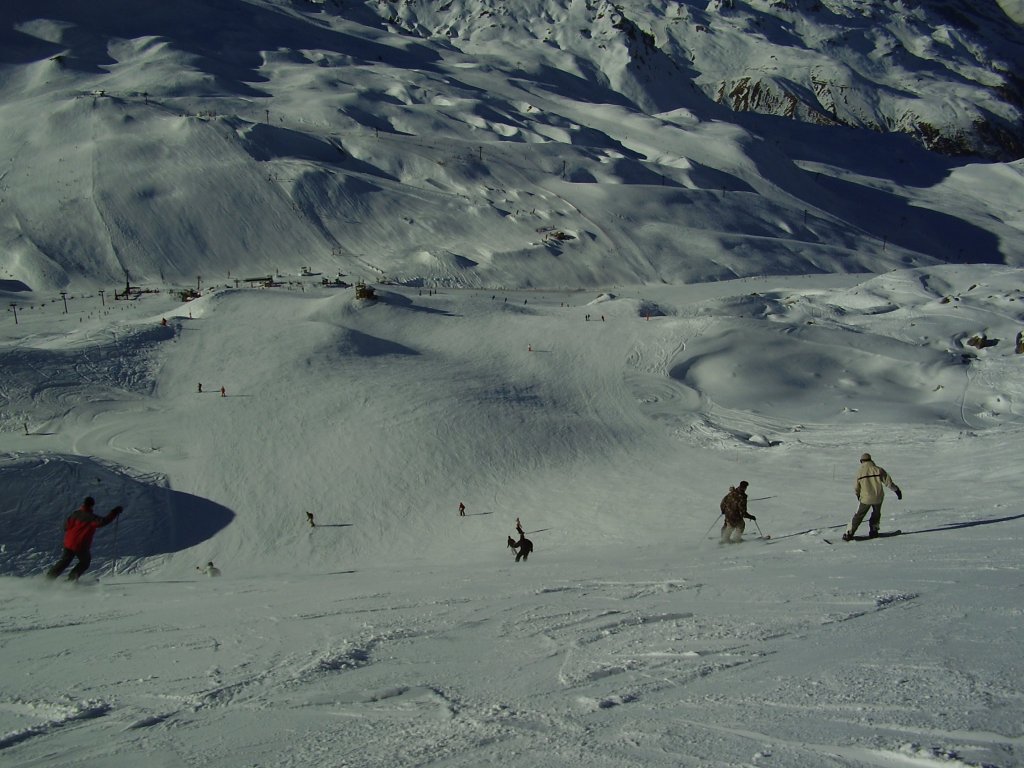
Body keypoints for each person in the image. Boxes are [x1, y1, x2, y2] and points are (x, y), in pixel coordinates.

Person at [46, 497, 124, 581]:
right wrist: (114, 512)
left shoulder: (75, 514)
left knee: (65, 561)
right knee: (85, 562)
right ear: (92, 505)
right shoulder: (91, 517)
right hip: (80, 544)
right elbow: (103, 522)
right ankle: (71, 580)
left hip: (68, 543)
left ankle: (49, 578)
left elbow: (66, 527)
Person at [843, 453, 902, 541]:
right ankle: (874, 530)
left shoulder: (860, 472)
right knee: (876, 514)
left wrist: (858, 495)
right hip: (878, 497)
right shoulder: (878, 470)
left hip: (865, 498)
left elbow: (856, 487)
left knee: (858, 516)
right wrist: (897, 491)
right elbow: (889, 483)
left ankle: (849, 533)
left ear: (861, 461)